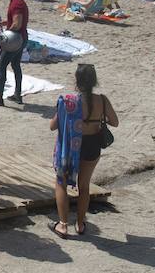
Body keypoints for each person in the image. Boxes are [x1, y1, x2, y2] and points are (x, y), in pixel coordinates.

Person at [49, 64, 118, 236]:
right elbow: (115, 122)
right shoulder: (102, 100)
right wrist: (96, 121)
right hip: (92, 145)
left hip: (72, 146)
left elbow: (52, 126)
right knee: (84, 186)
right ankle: (80, 224)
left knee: (61, 183)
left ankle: (63, 225)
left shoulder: (68, 101)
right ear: (94, 81)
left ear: (76, 81)